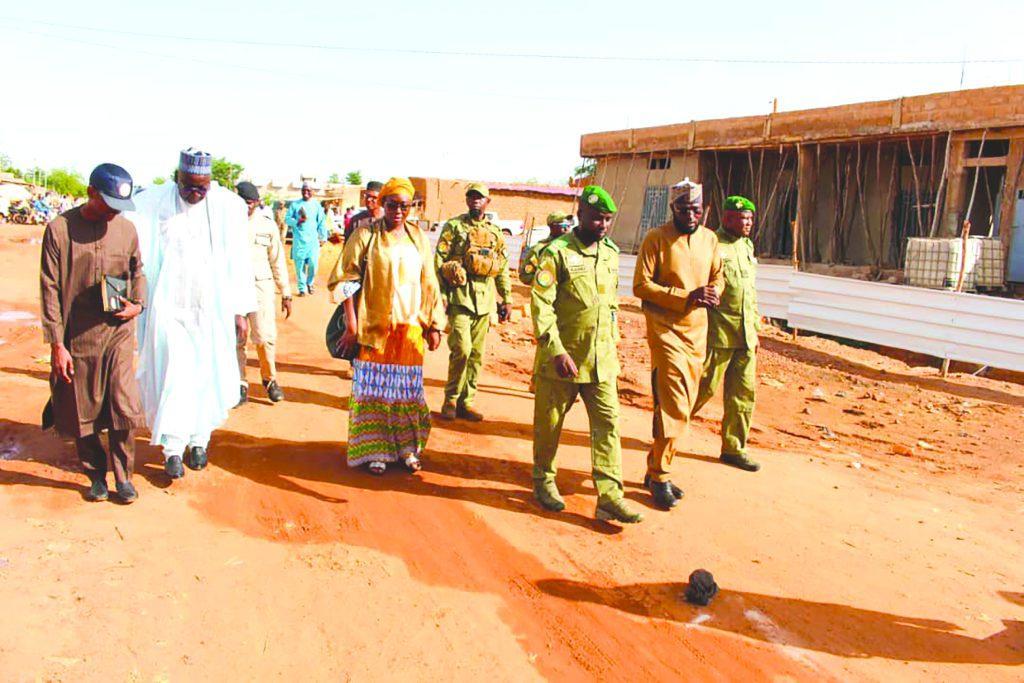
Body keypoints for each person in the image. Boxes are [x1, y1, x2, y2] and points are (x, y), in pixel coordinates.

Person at [129, 148, 256, 479]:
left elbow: (239, 261)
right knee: (172, 370)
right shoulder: (152, 203)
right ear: (177, 178)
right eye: (189, 186)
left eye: (203, 187)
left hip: (211, 310)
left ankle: (199, 439)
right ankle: (172, 446)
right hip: (167, 308)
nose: (196, 193)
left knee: (205, 371)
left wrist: (240, 310)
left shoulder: (227, 208)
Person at [531, 186, 642, 524]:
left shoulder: (609, 252)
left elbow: (610, 306)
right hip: (562, 361)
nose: (603, 225)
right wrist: (556, 350)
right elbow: (541, 304)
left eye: (608, 219)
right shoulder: (557, 252)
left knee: (608, 425)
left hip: (601, 362)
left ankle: (609, 496)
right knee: (549, 425)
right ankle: (543, 479)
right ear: (580, 214)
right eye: (597, 218)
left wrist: (613, 344)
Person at [39, 163, 146, 503]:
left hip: (117, 330)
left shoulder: (126, 230)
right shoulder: (59, 230)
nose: (115, 213)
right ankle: (96, 475)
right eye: (109, 204)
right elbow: (50, 289)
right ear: (90, 193)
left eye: (121, 207)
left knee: (122, 403)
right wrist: (58, 344)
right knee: (81, 406)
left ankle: (124, 477)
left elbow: (137, 271)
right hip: (78, 334)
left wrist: (138, 305)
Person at [328, 177, 445, 475]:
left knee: (407, 391)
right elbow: (345, 279)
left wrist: (435, 324)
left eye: (405, 206)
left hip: (410, 329)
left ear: (412, 207)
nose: (398, 211)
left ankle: (407, 448)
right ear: (382, 204)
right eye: (392, 205)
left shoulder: (418, 237)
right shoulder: (366, 234)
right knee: (374, 390)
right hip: (375, 327)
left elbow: (429, 281)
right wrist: (352, 326)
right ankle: (375, 450)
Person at [633, 178, 723, 510]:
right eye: (683, 209)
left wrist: (714, 292)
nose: (690, 215)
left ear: (704, 210)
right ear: (673, 208)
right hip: (665, 331)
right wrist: (685, 297)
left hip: (697, 332)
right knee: (674, 406)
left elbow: (719, 276)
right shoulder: (656, 239)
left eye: (696, 210)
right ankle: (660, 476)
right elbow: (641, 285)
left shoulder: (710, 240)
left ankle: (654, 465)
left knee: (686, 403)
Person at [691, 195, 761, 471]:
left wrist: (756, 328)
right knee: (701, 389)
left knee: (743, 395)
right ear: (727, 217)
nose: (747, 223)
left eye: (750, 219)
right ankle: (667, 432)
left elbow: (749, 291)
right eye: (741, 218)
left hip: (745, 335)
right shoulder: (710, 244)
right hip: (718, 334)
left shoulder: (747, 246)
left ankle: (734, 448)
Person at [434, 182, 511, 421]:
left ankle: (466, 402)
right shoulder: (454, 227)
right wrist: (443, 295)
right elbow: (439, 261)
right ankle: (451, 399)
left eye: (480, 197)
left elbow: (503, 268)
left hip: (484, 301)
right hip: (460, 298)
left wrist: (506, 298)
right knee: (462, 350)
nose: (475, 200)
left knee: (477, 354)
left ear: (488, 202)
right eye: (471, 196)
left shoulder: (496, 233)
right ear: (467, 200)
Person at [235, 181, 292, 405]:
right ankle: (240, 384)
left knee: (265, 337)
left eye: (251, 203)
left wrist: (286, 293)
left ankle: (270, 380)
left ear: (258, 203)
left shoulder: (268, 226)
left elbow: (277, 261)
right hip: (235, 289)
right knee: (237, 339)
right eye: (243, 203)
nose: (247, 207)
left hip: (261, 288)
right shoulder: (227, 225)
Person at [285, 183, 327, 296]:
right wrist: (297, 221)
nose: (306, 192)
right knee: (300, 267)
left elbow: (322, 222)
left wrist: (323, 236)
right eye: (303, 190)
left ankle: (310, 282)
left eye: (308, 190)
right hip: (299, 241)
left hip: (313, 242)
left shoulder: (317, 206)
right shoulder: (295, 205)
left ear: (313, 191)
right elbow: (287, 219)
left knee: (313, 264)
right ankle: (302, 288)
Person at [519, 211, 571, 285]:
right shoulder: (539, 249)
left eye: (569, 225)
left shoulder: (574, 247)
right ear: (553, 227)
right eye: (563, 225)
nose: (567, 228)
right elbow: (525, 276)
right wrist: (546, 281)